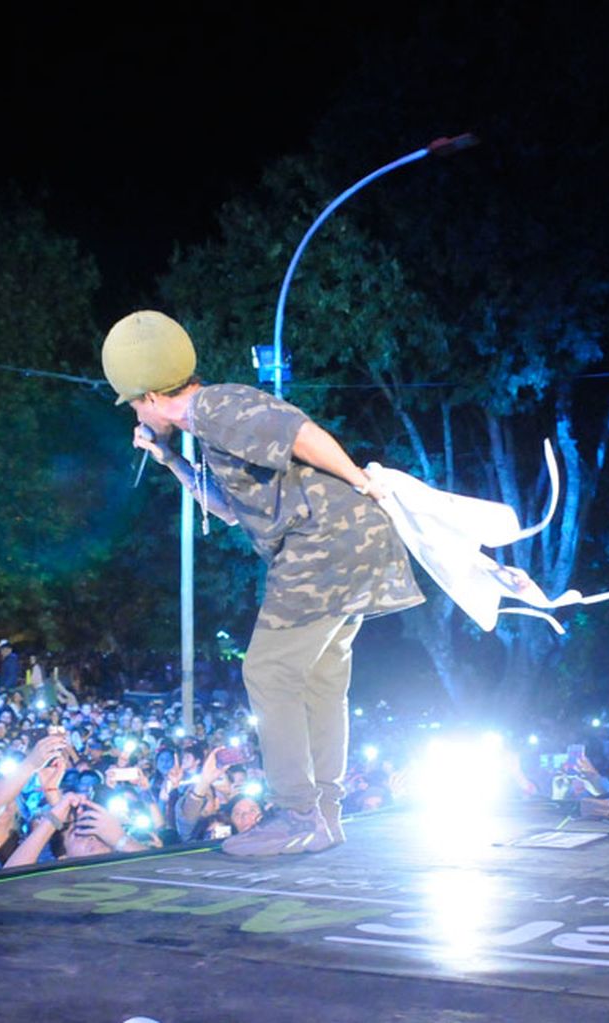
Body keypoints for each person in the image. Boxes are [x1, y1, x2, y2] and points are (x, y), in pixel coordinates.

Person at [102, 310, 422, 856]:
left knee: (268, 669)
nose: (135, 414)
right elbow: (227, 510)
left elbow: (301, 433)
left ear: (151, 396)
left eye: (133, 404)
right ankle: (324, 813)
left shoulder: (219, 405)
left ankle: (296, 813)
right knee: (319, 679)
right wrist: (169, 459)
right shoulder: (206, 425)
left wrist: (362, 483)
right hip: (343, 545)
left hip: (321, 542)